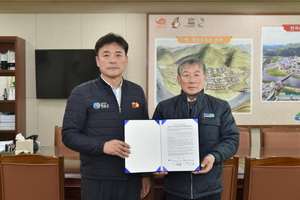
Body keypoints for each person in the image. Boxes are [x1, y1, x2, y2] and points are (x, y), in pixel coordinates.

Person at [62, 32, 151, 200]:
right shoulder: (81, 93)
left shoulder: (137, 92)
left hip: (131, 179)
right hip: (97, 180)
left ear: (126, 60)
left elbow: (145, 135)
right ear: (97, 61)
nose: (113, 60)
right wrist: (103, 146)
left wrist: (145, 175)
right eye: (106, 55)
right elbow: (69, 135)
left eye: (118, 55)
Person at [152, 57, 239, 200]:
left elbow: (231, 139)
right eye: (186, 75)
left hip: (209, 187)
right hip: (175, 188)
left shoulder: (220, 107)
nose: (192, 80)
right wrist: (156, 164)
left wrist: (213, 157)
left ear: (204, 77)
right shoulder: (164, 107)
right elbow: (154, 140)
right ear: (178, 79)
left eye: (197, 74)